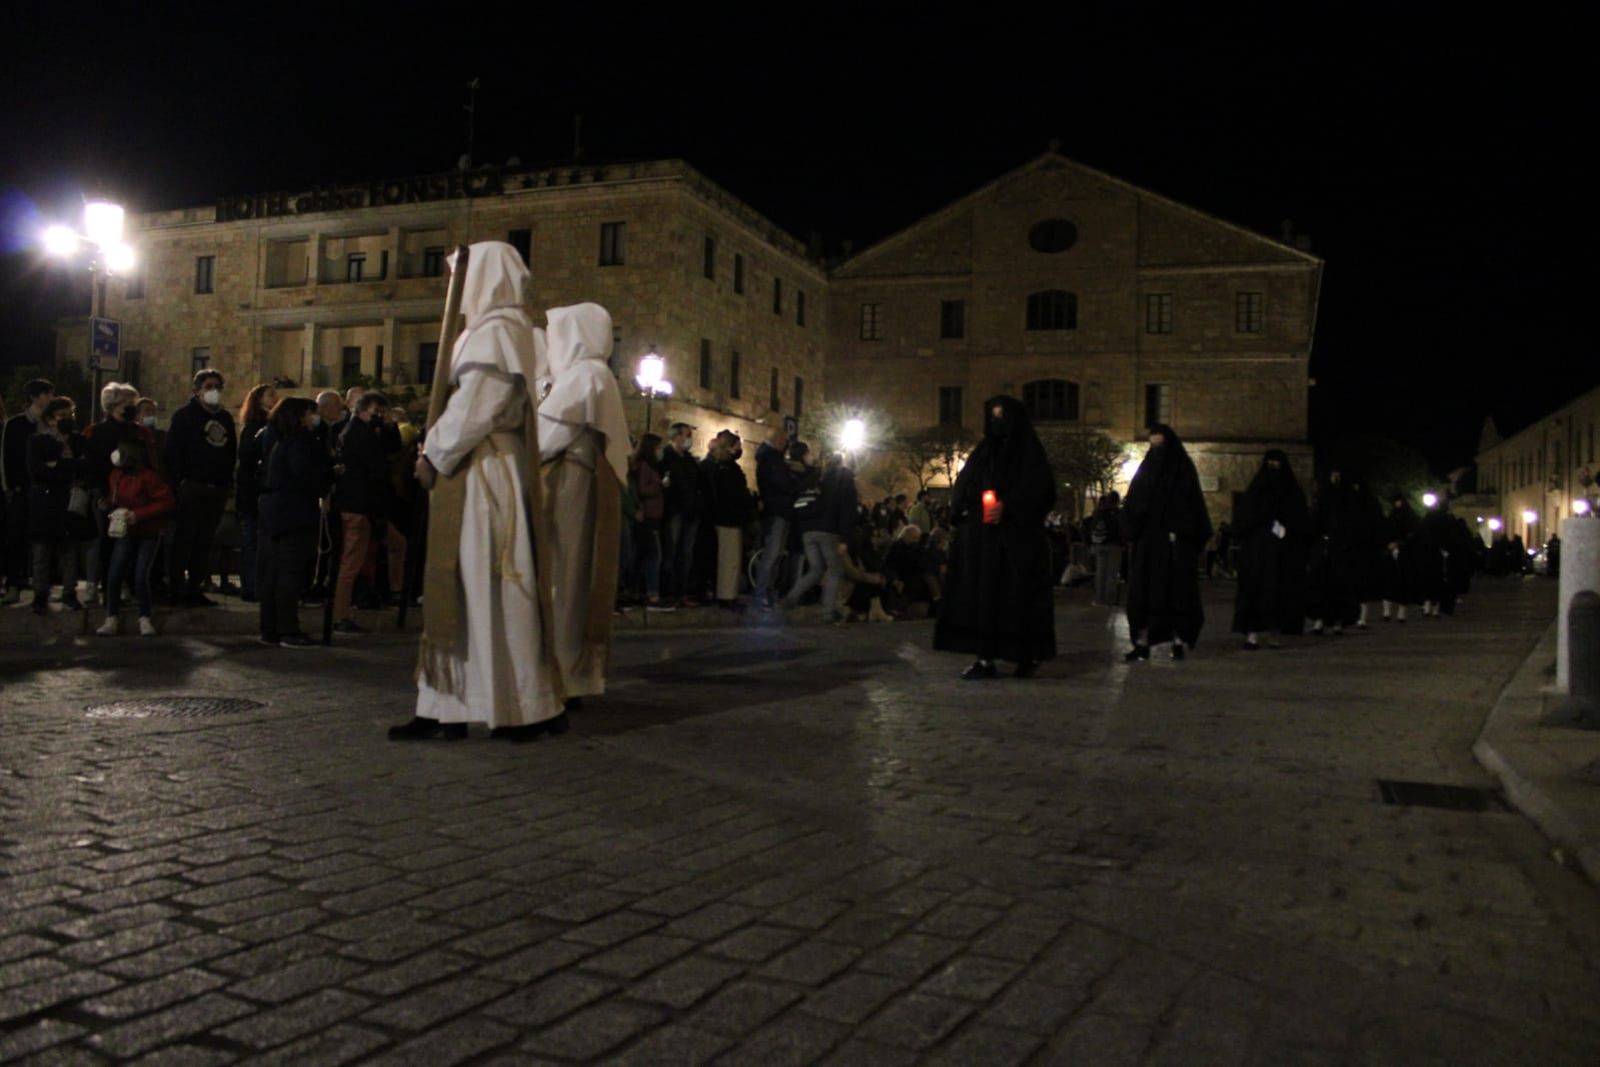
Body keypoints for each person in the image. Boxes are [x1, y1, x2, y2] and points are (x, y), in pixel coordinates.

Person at [391, 241, 567, 742]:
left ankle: (519, 707)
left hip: (485, 470)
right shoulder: (498, 331)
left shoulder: (499, 332)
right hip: (476, 467)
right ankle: (446, 706)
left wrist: (433, 455)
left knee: (494, 587)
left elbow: (478, 407)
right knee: (462, 589)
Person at [539, 301, 631, 704]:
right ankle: (571, 673)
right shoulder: (596, 376)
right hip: (579, 484)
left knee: (564, 579)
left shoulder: (583, 378)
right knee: (573, 580)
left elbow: (546, 438)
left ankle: (559, 673)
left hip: (569, 487)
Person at [934, 396, 1057, 678]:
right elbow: (965, 486)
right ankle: (985, 657)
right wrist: (963, 513)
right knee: (984, 598)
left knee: (1017, 599)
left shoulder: (1029, 454)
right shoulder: (984, 452)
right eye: (993, 416)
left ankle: (1025, 655)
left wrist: (1010, 506)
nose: (997, 422)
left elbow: (1041, 492)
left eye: (1003, 416)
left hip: (1017, 543)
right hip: (982, 542)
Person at [1122, 423, 1212, 661]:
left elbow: (1192, 507)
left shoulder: (1182, 471)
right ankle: (1142, 642)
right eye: (1153, 446)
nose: (1157, 452)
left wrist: (1179, 529)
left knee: (1177, 594)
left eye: (1160, 446)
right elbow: (1134, 503)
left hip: (1175, 546)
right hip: (1148, 546)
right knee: (1143, 594)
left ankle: (1179, 641)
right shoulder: (1146, 472)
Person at [256, 397, 331, 648]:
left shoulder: (280, 441)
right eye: (311, 414)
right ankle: (288, 629)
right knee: (290, 572)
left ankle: (270, 628)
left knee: (274, 573)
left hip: (275, 512)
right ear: (301, 416)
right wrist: (326, 480)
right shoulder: (301, 442)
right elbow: (306, 475)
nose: (314, 419)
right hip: (294, 512)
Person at [163, 369, 236, 606]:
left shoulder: (224, 418)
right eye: (209, 386)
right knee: (185, 539)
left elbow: (229, 451)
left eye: (217, 386)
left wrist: (226, 481)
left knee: (205, 541)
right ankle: (177, 588)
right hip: (192, 486)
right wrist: (180, 481)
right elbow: (172, 452)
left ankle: (195, 587)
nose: (214, 391)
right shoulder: (184, 416)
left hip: (216, 487)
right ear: (197, 390)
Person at [331, 391, 399, 634]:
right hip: (357, 506)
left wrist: (388, 427)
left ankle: (392, 595)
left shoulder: (364, 432)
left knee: (394, 546)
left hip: (364, 505)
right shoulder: (358, 435)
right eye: (375, 412)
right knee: (350, 563)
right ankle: (340, 615)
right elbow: (376, 468)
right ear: (361, 410)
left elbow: (391, 450)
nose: (378, 417)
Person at [1231, 450, 1310, 650]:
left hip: (1282, 554)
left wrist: (1287, 529)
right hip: (1256, 552)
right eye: (1270, 464)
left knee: (1279, 593)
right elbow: (1244, 519)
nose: (1274, 468)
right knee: (1254, 592)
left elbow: (1301, 521)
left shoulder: (1292, 492)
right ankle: (1252, 635)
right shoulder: (1256, 491)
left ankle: (1275, 634)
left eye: (1277, 464)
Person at [96, 439, 174, 636]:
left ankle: (144, 618)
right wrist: (107, 506)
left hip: (148, 532)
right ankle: (111, 616)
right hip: (125, 532)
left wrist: (138, 515)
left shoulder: (149, 478)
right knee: (114, 574)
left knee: (141, 575)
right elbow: (114, 499)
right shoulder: (116, 475)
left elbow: (165, 502)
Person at [781, 450, 856, 620]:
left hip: (808, 530)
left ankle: (790, 598)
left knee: (816, 569)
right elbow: (847, 509)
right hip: (828, 530)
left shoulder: (816, 477)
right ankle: (827, 611)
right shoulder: (843, 478)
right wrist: (845, 538)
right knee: (835, 569)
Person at [28, 398, 86, 613]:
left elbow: (84, 465)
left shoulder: (78, 440)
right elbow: (37, 470)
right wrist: (67, 467)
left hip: (69, 501)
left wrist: (58, 465)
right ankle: (40, 594)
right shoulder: (38, 441)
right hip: (45, 501)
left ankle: (69, 593)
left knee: (69, 550)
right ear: (50, 419)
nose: (67, 420)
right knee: (42, 550)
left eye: (70, 415)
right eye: (62, 416)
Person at [2, 379, 54, 604]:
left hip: (45, 490)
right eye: (47, 394)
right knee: (16, 536)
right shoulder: (16, 424)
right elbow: (6, 457)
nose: (50, 399)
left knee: (41, 539)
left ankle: (37, 581)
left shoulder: (50, 424)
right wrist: (9, 487)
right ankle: (13, 582)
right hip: (22, 489)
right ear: (35, 397)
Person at [234, 383, 277, 603]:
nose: (274, 399)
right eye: (270, 396)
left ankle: (259, 584)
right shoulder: (254, 428)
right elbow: (248, 456)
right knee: (251, 541)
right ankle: (250, 585)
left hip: (262, 492)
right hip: (252, 493)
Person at [752, 425, 803, 608]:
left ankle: (767, 591)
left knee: (776, 555)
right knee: (772, 554)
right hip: (777, 511)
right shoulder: (771, 460)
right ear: (779, 441)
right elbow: (784, 483)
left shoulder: (771, 460)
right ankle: (761, 592)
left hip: (779, 510)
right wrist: (795, 480)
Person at [703, 430, 752, 607]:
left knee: (731, 559)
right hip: (727, 517)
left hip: (730, 517)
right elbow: (729, 494)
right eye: (738, 446)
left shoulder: (726, 467)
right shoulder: (723, 468)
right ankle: (725, 596)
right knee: (728, 559)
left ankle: (728, 594)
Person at [660, 422, 703, 607]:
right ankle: (667, 592)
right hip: (674, 511)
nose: (689, 439)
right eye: (687, 435)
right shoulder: (666, 457)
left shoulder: (689, 460)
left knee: (686, 554)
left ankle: (682, 591)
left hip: (690, 512)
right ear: (677, 436)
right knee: (671, 551)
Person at [630, 433, 670, 610]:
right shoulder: (645, 466)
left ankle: (635, 591)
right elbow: (642, 489)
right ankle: (652, 594)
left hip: (653, 515)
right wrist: (660, 485)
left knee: (643, 556)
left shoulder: (650, 466)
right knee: (654, 555)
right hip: (649, 516)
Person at [1380, 495, 1419, 622]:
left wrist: (1400, 543)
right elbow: (1385, 533)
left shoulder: (1410, 518)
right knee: (1388, 582)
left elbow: (1412, 535)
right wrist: (1388, 544)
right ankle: (1386, 611)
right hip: (1390, 552)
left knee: (1403, 583)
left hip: (1404, 553)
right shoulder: (1391, 518)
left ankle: (1401, 613)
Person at [1085, 491, 1125, 607]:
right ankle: (1109, 600)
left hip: (1099, 545)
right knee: (1111, 574)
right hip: (1114, 545)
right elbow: (1121, 529)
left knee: (1101, 572)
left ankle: (1099, 599)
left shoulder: (1099, 512)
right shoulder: (1118, 513)